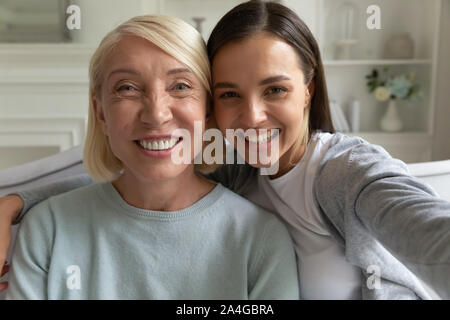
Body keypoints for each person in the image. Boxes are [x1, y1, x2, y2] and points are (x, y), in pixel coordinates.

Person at [1, 0, 450, 299]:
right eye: (231, 94)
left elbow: (429, 231)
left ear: (309, 90)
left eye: (274, 89)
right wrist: (18, 201)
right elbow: (137, 178)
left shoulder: (346, 174)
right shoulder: (243, 172)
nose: (252, 117)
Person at [1, 14, 299, 299]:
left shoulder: (260, 240)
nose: (156, 114)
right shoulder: (47, 229)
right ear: (100, 112)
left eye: (181, 86)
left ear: (207, 110)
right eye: (128, 88)